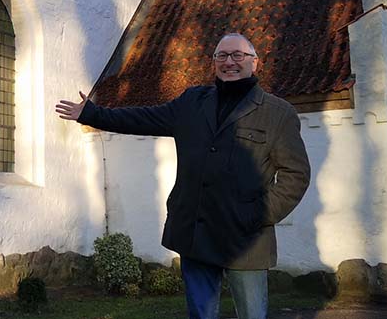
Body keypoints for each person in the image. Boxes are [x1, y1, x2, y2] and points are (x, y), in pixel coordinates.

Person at [56, 33, 310, 319]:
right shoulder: (192, 102)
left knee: (253, 315)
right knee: (201, 315)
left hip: (246, 239)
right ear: (214, 63)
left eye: (238, 55)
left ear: (255, 63)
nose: (229, 62)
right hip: (195, 234)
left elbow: (296, 175)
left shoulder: (278, 113)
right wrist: (91, 114)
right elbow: (143, 119)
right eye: (222, 56)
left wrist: (258, 214)